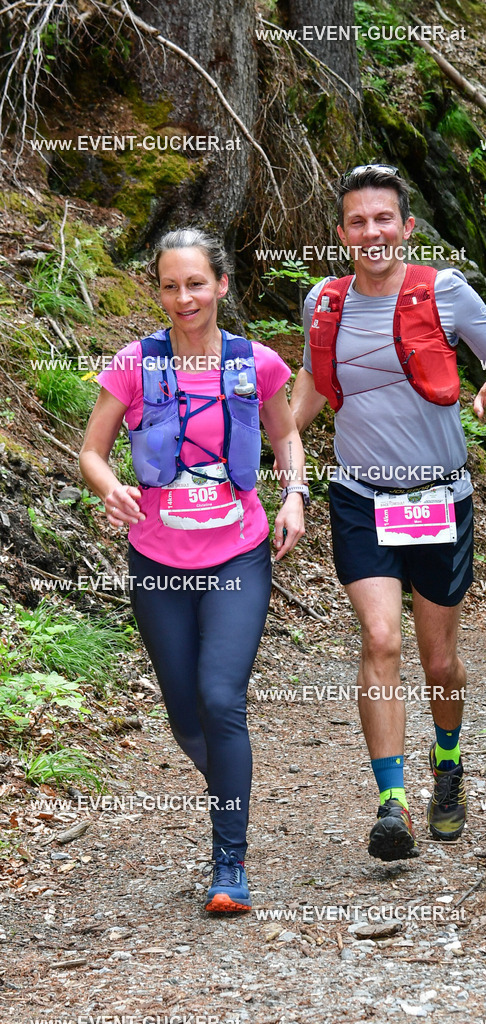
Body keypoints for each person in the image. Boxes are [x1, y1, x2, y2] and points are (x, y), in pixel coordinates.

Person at [290, 165, 486, 861]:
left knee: (439, 661)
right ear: (341, 234)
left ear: (406, 227)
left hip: (436, 499)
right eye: (357, 222)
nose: (371, 232)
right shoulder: (323, 303)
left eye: (382, 220)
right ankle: (390, 803)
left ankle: (447, 762)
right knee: (380, 642)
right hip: (360, 498)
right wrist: (273, 441)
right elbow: (309, 384)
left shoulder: (443, 291)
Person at [80, 228, 308, 910]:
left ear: (222, 285)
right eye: (171, 286)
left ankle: (228, 865)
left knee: (219, 699)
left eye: (196, 284)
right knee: (185, 717)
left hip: (238, 551)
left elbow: (286, 433)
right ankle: (233, 790)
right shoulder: (134, 363)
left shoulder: (257, 363)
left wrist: (294, 493)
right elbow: (91, 451)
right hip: (157, 558)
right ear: (159, 291)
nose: (184, 298)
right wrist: (108, 487)